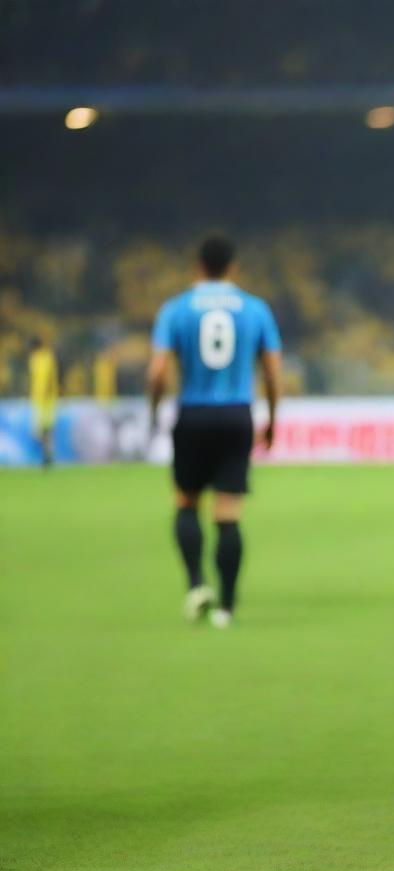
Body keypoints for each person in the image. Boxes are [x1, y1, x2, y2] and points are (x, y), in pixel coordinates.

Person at [147, 236, 283, 627]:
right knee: (228, 514)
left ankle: (195, 585)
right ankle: (226, 607)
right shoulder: (255, 308)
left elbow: (157, 372)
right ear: (233, 268)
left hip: (193, 414)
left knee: (186, 502)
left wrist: (155, 411)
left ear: (197, 267)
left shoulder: (176, 309)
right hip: (236, 416)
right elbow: (273, 372)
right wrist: (271, 419)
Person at [28, 337, 58, 467]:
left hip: (45, 400)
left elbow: (48, 378)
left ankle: (48, 455)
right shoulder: (41, 358)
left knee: (41, 430)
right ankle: (48, 454)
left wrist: (46, 393)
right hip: (41, 399)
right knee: (44, 431)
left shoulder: (43, 358)